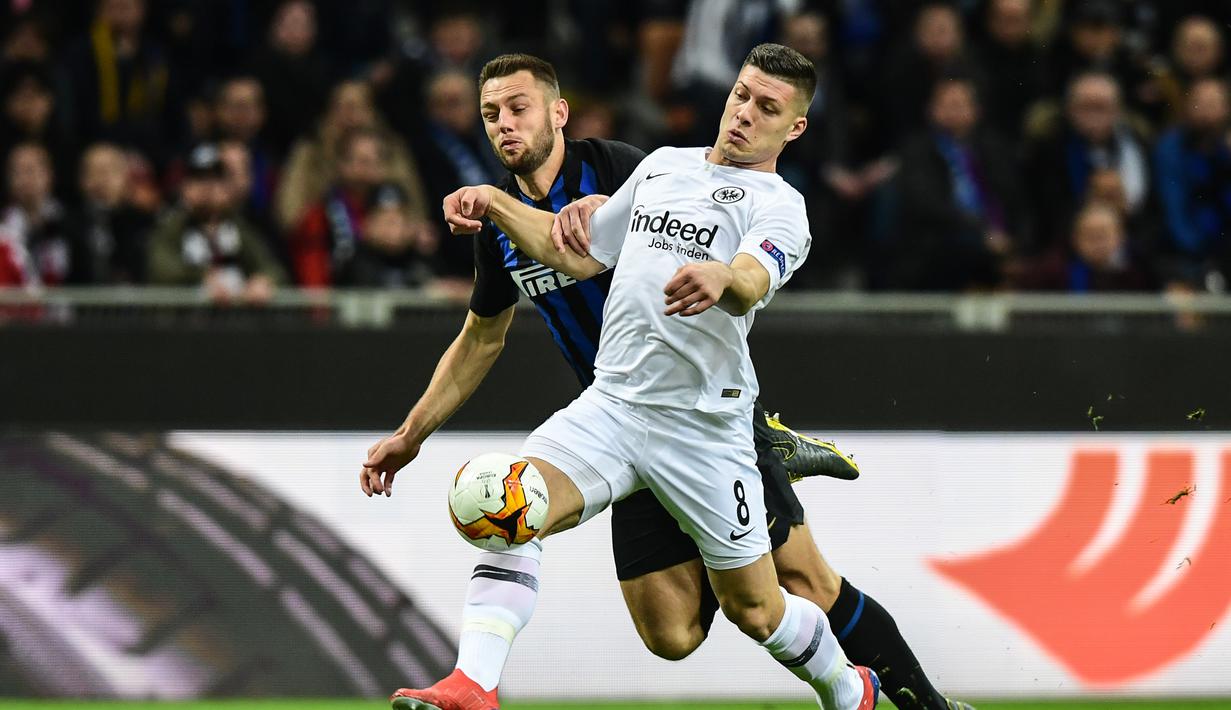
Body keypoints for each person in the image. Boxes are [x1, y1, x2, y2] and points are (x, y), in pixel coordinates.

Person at [363, 52, 969, 710]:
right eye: (741, 95)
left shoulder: (767, 202)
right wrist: (411, 431)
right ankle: (472, 685)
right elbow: (567, 259)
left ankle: (871, 695)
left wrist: (723, 276)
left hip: (704, 425)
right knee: (519, 515)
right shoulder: (659, 170)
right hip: (613, 407)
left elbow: (751, 278)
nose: (744, 112)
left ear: (793, 129)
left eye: (766, 108)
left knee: (775, 600)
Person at [146, 143, 284, 303]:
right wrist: (202, 277)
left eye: (216, 178)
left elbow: (272, 267)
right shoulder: (172, 225)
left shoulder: (238, 227)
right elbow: (159, 267)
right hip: (184, 323)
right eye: (199, 179)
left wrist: (263, 280)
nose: (208, 187)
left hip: (232, 323)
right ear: (185, 187)